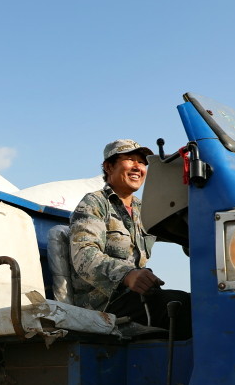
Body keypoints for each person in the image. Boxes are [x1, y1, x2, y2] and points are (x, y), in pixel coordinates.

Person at [69, 139, 191, 339]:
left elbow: (178, 231)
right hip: (104, 305)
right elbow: (84, 256)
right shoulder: (95, 203)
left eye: (142, 162)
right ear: (109, 167)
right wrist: (127, 274)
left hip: (137, 298)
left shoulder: (145, 209)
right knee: (184, 308)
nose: (138, 167)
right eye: (130, 160)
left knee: (203, 302)